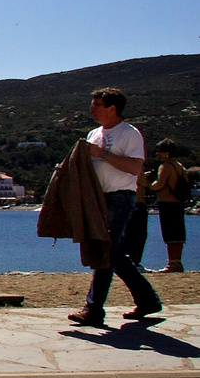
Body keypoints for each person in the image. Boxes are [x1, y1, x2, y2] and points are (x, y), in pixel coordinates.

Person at [69, 87, 162, 326]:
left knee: (106, 252)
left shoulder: (129, 134)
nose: (91, 109)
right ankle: (148, 300)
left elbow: (134, 168)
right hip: (98, 200)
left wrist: (102, 154)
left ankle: (93, 308)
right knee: (116, 254)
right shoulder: (92, 134)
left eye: (97, 105)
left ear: (112, 108)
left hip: (120, 198)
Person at [149, 139, 188, 273]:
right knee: (179, 233)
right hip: (178, 202)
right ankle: (177, 261)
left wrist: (147, 184)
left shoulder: (165, 166)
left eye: (160, 151)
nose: (158, 154)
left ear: (167, 152)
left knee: (170, 233)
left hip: (167, 202)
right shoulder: (180, 167)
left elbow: (159, 184)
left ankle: (172, 263)